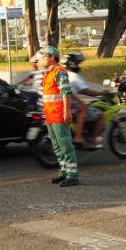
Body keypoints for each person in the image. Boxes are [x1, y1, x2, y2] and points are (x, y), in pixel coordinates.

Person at [39, 46, 78, 187]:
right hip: (50, 116)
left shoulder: (59, 72)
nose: (42, 58)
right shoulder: (48, 73)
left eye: (44, 56)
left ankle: (72, 175)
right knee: (56, 146)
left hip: (58, 114)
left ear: (52, 57)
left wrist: (66, 112)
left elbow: (66, 92)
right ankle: (64, 172)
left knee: (65, 145)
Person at [63, 53, 106, 149]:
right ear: (73, 64)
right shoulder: (74, 76)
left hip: (60, 105)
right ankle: (93, 141)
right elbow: (86, 91)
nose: (79, 66)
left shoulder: (61, 74)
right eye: (78, 63)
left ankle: (83, 133)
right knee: (100, 115)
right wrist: (102, 93)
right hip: (70, 106)